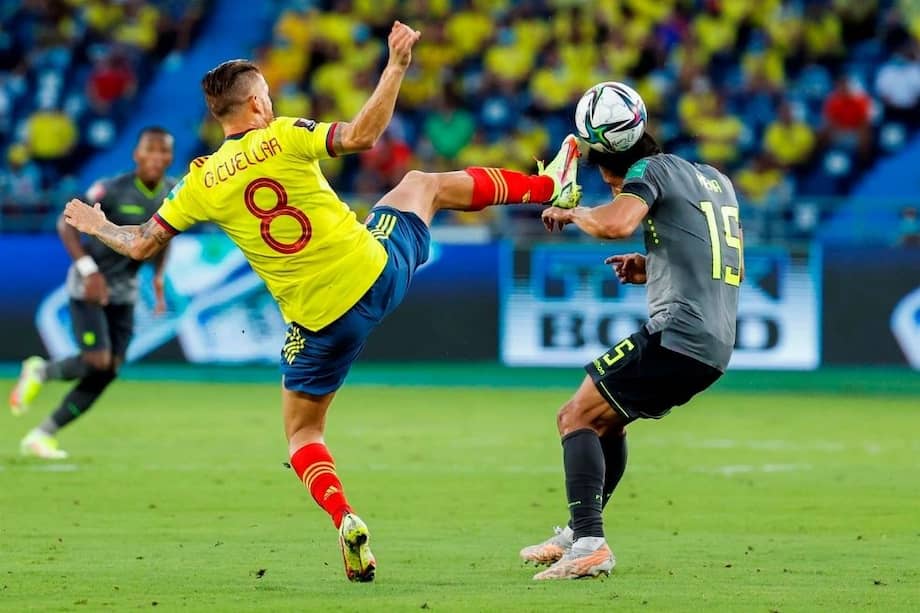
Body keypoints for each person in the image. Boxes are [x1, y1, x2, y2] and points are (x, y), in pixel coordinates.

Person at [58, 22, 581, 583]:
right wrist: (396, 66)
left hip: (320, 323)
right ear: (257, 102)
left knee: (304, 434)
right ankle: (550, 187)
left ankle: (345, 518)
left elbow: (139, 244)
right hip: (374, 272)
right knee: (421, 185)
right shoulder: (281, 135)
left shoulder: (200, 182)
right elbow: (361, 136)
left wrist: (99, 223)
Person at [520, 128, 744, 580]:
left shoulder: (649, 170)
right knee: (607, 421)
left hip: (678, 333)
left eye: (609, 182)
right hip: (713, 341)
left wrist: (574, 212)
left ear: (610, 167)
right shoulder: (714, 180)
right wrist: (651, 265)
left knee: (575, 416)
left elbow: (616, 224)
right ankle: (581, 531)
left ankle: (589, 543)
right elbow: (719, 253)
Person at [9, 127, 175, 459]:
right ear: (136, 154)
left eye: (164, 151)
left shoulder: (171, 193)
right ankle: (40, 371)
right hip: (90, 286)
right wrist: (88, 270)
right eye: (150, 150)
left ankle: (42, 435)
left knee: (110, 369)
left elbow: (165, 236)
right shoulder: (111, 189)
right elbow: (66, 221)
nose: (156, 157)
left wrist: (158, 279)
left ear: (170, 157)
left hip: (125, 293)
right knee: (96, 360)